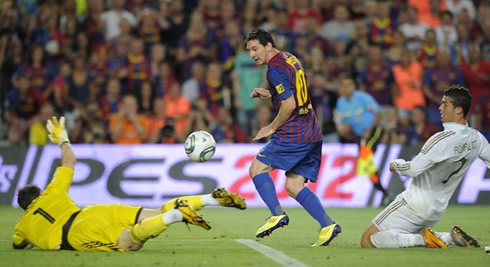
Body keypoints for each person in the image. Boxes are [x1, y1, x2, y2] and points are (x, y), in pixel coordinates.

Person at [13, 116, 246, 252]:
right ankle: (209, 198)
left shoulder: (22, 226)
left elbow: (18, 245)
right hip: (94, 211)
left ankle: (175, 216)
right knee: (153, 212)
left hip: (77, 233)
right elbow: (69, 159)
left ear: (25, 207)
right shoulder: (52, 192)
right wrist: (62, 137)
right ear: (40, 192)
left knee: (129, 242)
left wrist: (31, 239)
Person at [244, 28, 341, 247]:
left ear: (268, 45)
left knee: (257, 169)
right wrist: (271, 94)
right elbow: (296, 89)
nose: (252, 55)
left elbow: (289, 104)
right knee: (293, 186)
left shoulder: (274, 71)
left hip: (295, 132)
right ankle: (327, 224)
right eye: (249, 50)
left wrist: (271, 127)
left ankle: (276, 214)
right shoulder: (289, 57)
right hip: (312, 130)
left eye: (255, 49)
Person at [360, 85, 487, 249]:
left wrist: (396, 165)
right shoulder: (477, 138)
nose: (440, 107)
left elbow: (414, 169)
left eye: (445, 104)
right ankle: (448, 238)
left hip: (414, 204)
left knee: (368, 239)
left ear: (458, 110)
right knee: (399, 235)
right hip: (437, 210)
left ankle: (425, 240)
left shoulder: (441, 140)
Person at [334, 75, 391, 205]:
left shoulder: (363, 98)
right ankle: (384, 193)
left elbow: (378, 113)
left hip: (373, 131)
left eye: (349, 85)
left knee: (365, 160)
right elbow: (339, 121)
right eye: (344, 85)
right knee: (367, 165)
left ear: (353, 87)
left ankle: (384, 193)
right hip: (360, 136)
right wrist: (342, 128)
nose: (346, 88)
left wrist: (369, 130)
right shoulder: (341, 103)